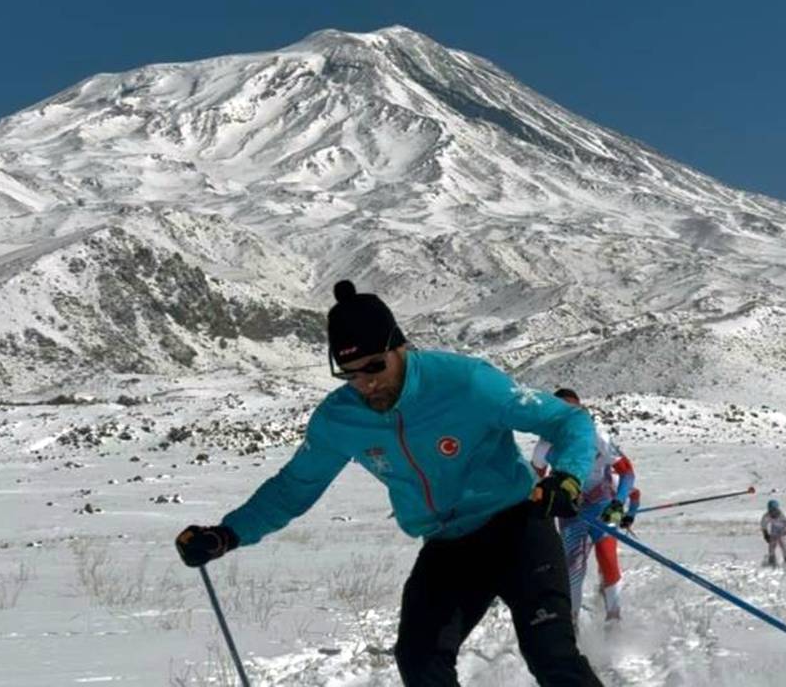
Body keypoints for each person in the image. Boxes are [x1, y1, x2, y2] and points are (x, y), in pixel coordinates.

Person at [176, 281, 604, 686]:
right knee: (419, 662)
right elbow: (294, 486)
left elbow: (565, 419)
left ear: (398, 346)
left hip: (516, 528)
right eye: (350, 373)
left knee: (551, 655)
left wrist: (567, 477)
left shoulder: (466, 382)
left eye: (375, 367)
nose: (366, 383)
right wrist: (228, 533)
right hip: (447, 545)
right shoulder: (339, 418)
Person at [532, 388, 640, 625]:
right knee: (573, 569)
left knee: (607, 556)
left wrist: (618, 503)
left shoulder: (597, 435)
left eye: (575, 410)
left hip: (603, 503)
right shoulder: (545, 445)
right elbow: (534, 482)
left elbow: (628, 473)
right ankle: (572, 625)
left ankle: (614, 620)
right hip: (572, 511)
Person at [760, 499, 786, 567]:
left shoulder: (784, 516)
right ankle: (772, 559)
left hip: (784, 532)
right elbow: (763, 525)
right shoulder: (766, 516)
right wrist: (766, 534)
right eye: (771, 510)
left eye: (774, 509)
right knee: (771, 546)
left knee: (784, 545)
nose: (773, 512)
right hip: (774, 532)